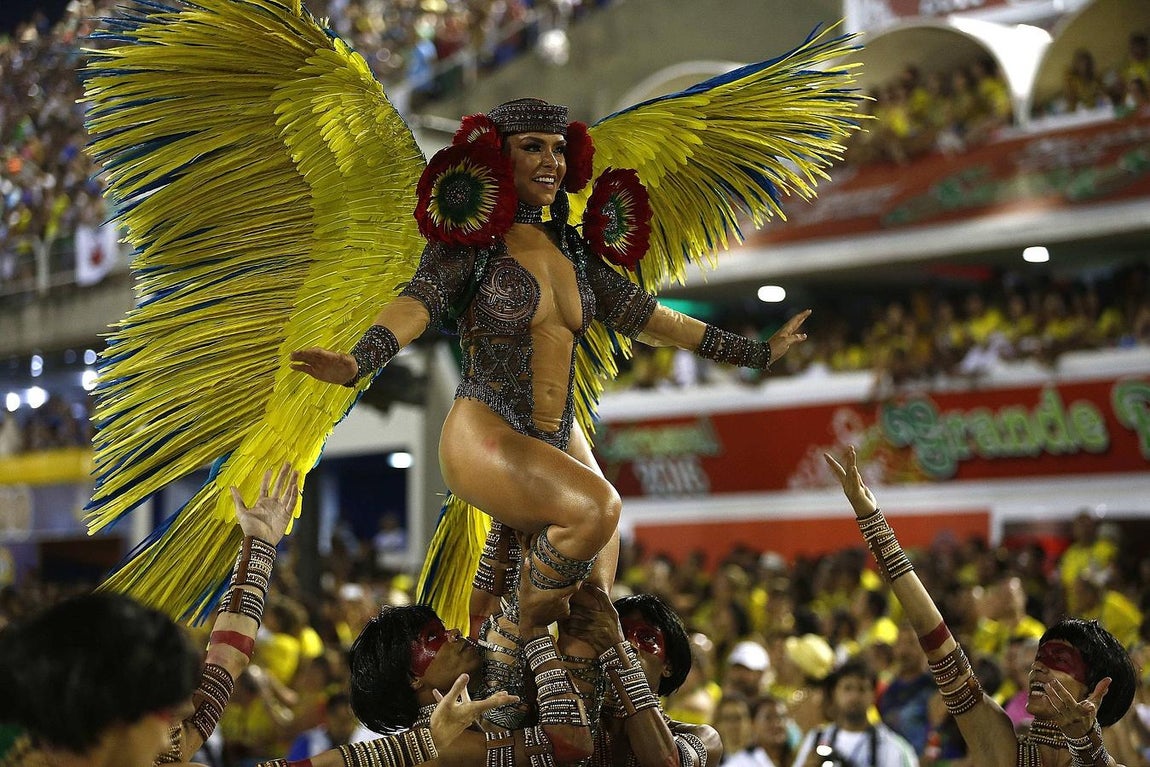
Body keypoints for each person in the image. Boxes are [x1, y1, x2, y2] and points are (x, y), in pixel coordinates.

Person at [290, 97, 812, 611]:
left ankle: (511, 627)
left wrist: (757, 353)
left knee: (600, 581)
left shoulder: (575, 254)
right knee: (598, 510)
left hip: (556, 433)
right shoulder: (469, 248)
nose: (551, 162)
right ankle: (525, 625)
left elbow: (654, 320)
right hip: (486, 428)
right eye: (533, 147)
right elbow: (417, 303)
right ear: (498, 158)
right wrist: (361, 360)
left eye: (559, 149)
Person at [825, 446, 1138, 767]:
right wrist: (873, 521)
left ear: (1094, 692)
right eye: (1041, 656)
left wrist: (1086, 746)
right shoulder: (1005, 748)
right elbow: (938, 645)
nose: (1037, 667)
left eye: (1059, 660)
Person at [0, 463, 301, 767]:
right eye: (163, 713)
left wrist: (259, 544)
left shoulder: (162, 744)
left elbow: (228, 658)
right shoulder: (163, 748)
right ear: (114, 720)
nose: (170, 728)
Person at [560, 589, 723, 766]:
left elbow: (667, 763)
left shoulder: (705, 738)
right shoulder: (572, 727)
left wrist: (618, 651)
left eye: (647, 637)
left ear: (668, 666)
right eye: (622, 633)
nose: (629, 644)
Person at [793, 658, 919, 767]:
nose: (854, 696)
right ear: (834, 693)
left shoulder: (892, 746)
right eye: (847, 688)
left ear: (873, 695)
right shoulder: (816, 739)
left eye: (862, 689)